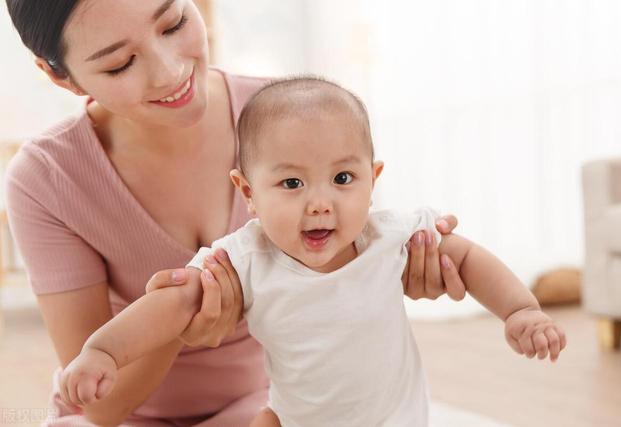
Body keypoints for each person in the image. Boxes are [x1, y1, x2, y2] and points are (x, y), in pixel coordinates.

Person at [4, 1, 465, 425]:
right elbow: (99, 407)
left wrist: (396, 271)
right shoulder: (47, 177)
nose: (170, 72)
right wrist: (177, 323)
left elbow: (354, 244)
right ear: (61, 76)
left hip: (269, 405)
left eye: (173, 23)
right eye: (120, 63)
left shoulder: (288, 115)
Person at [59, 77, 566, 427]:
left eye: (343, 178)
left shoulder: (389, 237)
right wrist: (103, 351)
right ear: (248, 192)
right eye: (292, 183)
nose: (320, 203)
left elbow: (469, 258)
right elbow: (172, 303)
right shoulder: (247, 258)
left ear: (373, 180)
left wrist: (520, 309)